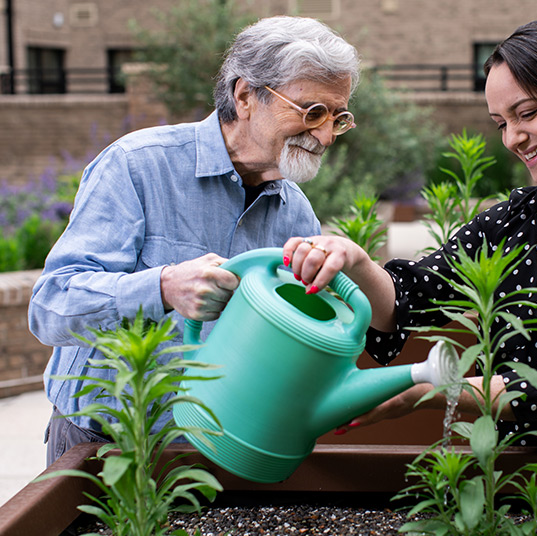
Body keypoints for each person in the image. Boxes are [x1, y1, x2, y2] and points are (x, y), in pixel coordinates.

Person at [283, 19, 537, 447]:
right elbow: (411, 300)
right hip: (512, 482)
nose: (514, 138)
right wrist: (356, 260)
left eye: (528, 113)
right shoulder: (515, 221)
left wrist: (428, 389)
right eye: (501, 123)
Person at [29, 15, 360, 466]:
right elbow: (50, 307)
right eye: (311, 111)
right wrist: (163, 287)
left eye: (337, 118)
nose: (324, 135)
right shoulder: (137, 165)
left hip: (214, 448)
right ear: (245, 96)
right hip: (102, 440)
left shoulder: (296, 211)